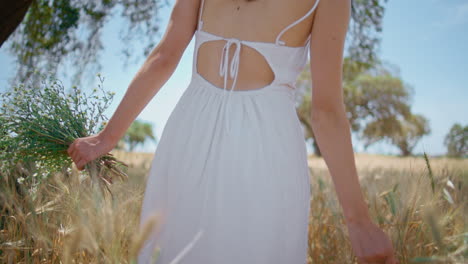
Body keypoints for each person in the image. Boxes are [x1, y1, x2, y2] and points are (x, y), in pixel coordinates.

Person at [67, 0, 398, 263]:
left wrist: (105, 138)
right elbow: (325, 113)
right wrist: (359, 223)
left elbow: (164, 58)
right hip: (264, 141)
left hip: (197, 130)